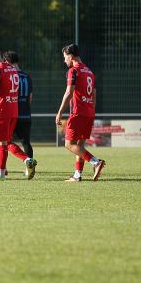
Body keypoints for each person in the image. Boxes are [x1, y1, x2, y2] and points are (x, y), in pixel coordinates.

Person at [54, 44, 106, 182]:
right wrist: (91, 109)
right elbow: (94, 94)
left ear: (70, 56)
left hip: (78, 112)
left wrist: (59, 112)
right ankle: (77, 175)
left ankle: (96, 162)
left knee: (69, 144)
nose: (64, 60)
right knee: (79, 145)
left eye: (65, 57)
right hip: (89, 112)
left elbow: (69, 92)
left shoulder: (73, 71)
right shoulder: (89, 71)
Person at [0, 47, 34, 181]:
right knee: (6, 142)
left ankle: (1, 174)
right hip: (13, 110)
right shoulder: (12, 69)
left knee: (1, 142)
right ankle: (25, 160)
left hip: (3, 110)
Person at [6, 51, 34, 162]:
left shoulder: (10, 76)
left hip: (12, 114)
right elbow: (30, 97)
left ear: (7, 62)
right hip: (26, 113)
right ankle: (30, 167)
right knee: (26, 142)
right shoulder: (27, 77)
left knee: (3, 141)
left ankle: (2, 168)